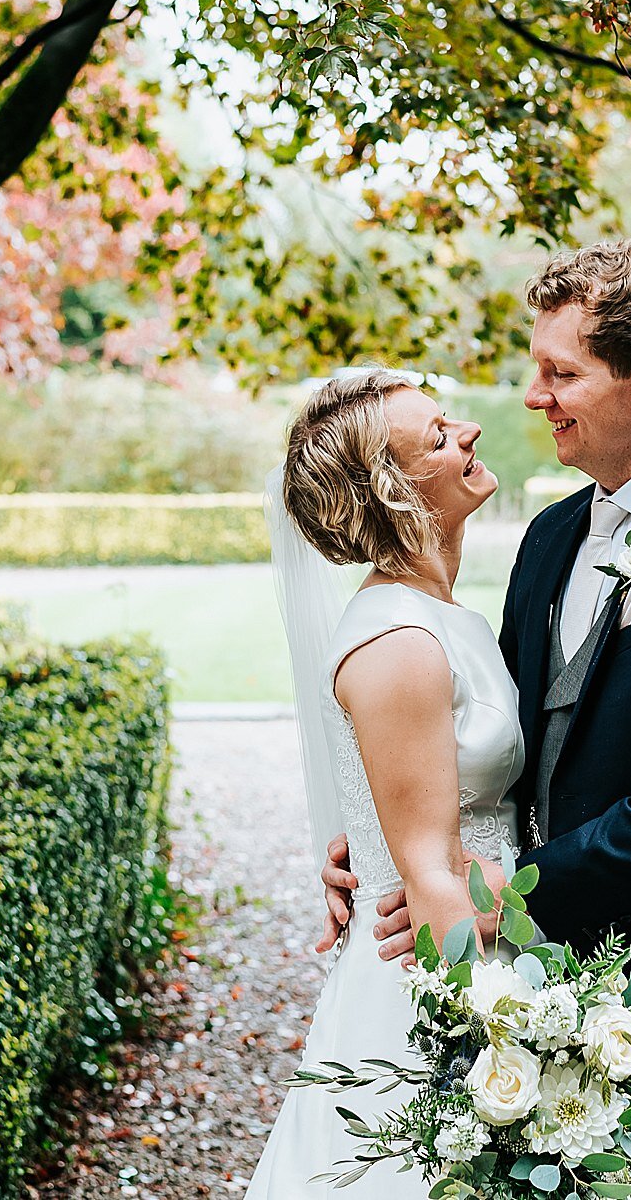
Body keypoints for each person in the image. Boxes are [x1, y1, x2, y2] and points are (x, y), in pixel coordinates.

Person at [317, 239, 631, 1200]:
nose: (533, 395)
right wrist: (391, 831)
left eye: (562, 372)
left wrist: (508, 896)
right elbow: (500, 742)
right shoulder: (552, 534)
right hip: (542, 1004)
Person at [251, 369, 520, 1197]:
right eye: (438, 437)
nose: (468, 431)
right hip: (435, 979)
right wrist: (502, 1053)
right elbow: (430, 870)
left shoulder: (444, 618)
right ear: (392, 495)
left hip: (488, 932)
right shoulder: (399, 640)